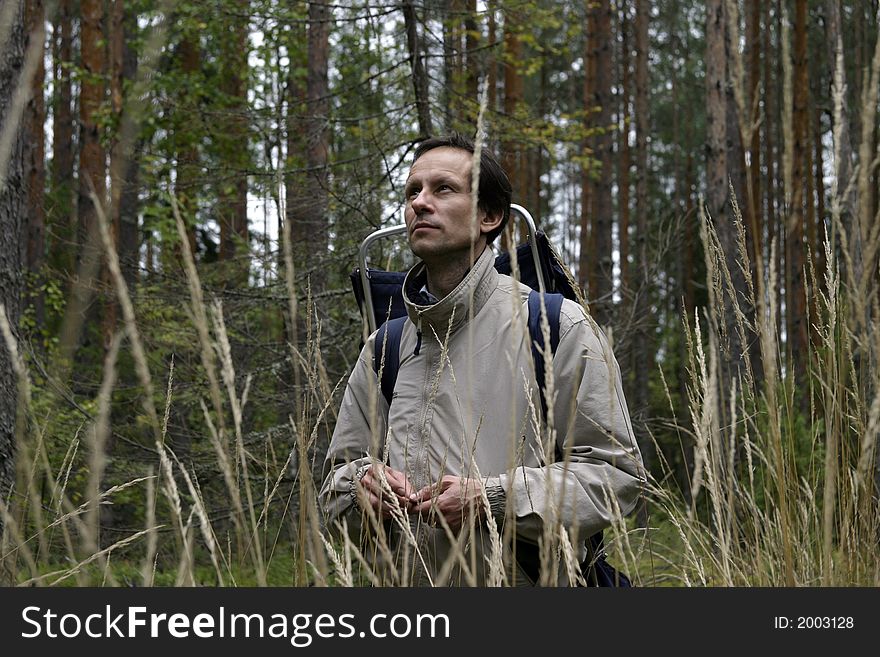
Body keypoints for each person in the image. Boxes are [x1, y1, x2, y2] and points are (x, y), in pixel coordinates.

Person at [318, 133, 644, 586]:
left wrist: (494, 499)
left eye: (443, 189)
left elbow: (617, 480)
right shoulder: (383, 348)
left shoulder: (555, 327)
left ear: (490, 216)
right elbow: (333, 486)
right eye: (412, 191)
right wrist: (359, 485)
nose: (420, 203)